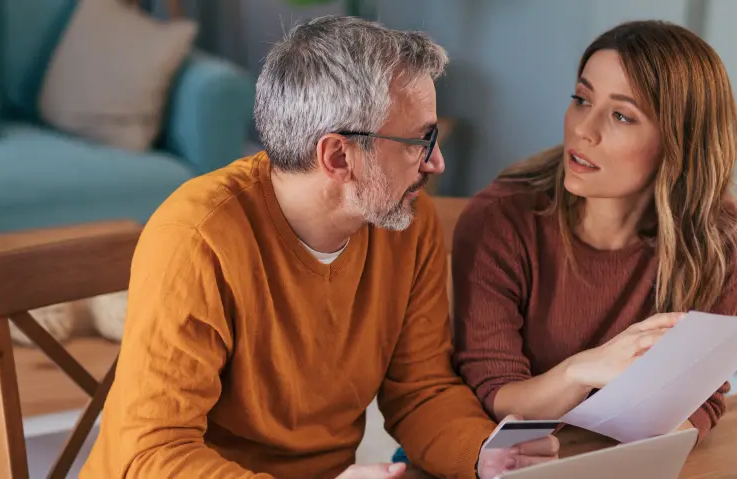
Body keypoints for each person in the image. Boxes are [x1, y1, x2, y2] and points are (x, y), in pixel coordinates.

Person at [81, 15, 557, 479]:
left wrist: (483, 454)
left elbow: (422, 390)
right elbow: (152, 456)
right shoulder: (195, 239)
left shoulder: (407, 223)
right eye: (420, 140)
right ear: (337, 155)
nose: (436, 161)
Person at [450, 20, 737, 442]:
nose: (582, 129)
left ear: (679, 141)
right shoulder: (500, 221)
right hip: (502, 456)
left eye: (621, 116)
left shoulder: (717, 232)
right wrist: (583, 371)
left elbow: (702, 399)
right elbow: (494, 395)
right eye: (581, 99)